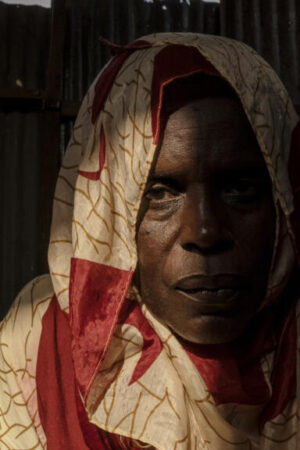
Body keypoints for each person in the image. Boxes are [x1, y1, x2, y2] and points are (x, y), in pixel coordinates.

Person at [0, 32, 300, 449]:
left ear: (284, 198)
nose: (205, 232)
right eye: (159, 193)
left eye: (240, 187)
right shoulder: (34, 347)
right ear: (106, 212)